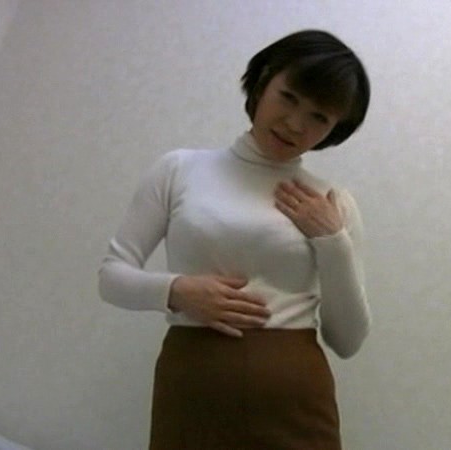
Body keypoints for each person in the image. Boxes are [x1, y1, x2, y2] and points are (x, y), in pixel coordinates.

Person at [98, 29, 372, 450]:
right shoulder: (179, 170)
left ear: (336, 129)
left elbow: (347, 341)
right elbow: (111, 277)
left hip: (298, 405)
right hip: (192, 388)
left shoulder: (332, 203)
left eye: (319, 117)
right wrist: (177, 291)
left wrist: (333, 241)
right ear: (262, 82)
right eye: (289, 97)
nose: (295, 124)